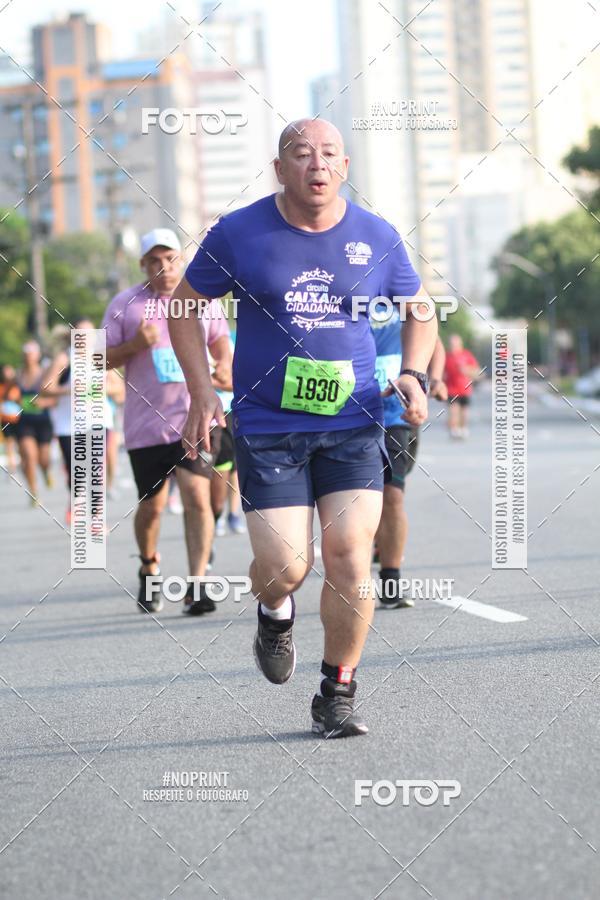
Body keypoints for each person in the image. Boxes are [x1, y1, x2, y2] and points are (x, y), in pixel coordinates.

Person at [168, 118, 437, 738]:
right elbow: (183, 306)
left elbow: (420, 310)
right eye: (301, 152)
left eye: (330, 153)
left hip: (353, 421)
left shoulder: (376, 236)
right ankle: (273, 609)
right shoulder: (239, 233)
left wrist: (415, 375)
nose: (317, 163)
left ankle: (337, 693)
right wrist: (202, 388)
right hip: (269, 427)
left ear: (345, 166)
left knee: (348, 559)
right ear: (280, 167)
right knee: (287, 564)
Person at [102, 228, 232, 615]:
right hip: (146, 427)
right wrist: (133, 346)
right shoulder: (125, 304)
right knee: (153, 507)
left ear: (182, 259)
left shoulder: (201, 299)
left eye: (171, 258)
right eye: (155, 260)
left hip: (194, 418)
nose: (164, 267)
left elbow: (220, 339)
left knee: (196, 496)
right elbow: (94, 360)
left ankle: (198, 584)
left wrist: (224, 361)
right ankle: (149, 565)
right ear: (143, 265)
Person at [372, 304, 447, 607]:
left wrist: (437, 378)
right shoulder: (343, 290)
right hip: (352, 413)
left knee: (392, 495)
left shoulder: (400, 298)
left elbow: (434, 339)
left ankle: (391, 582)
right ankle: (374, 569)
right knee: (363, 496)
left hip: (396, 416)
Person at [15, 341, 55, 505]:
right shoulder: (18, 374)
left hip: (43, 421)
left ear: (37, 355)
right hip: (24, 422)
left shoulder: (45, 373)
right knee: (29, 456)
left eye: (31, 353)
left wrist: (44, 403)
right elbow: (8, 393)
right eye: (26, 354)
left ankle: (46, 472)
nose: (28, 357)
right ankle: (33, 492)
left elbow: (57, 399)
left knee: (43, 459)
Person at [444, 334, 480, 439]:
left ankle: (463, 428)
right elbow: (441, 371)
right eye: (451, 343)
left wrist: (466, 370)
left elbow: (476, 371)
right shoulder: (447, 356)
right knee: (453, 410)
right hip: (451, 388)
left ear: (460, 344)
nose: (453, 345)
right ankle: (454, 430)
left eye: (455, 343)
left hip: (465, 388)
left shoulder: (466, 355)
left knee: (464, 411)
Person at [0, 364, 21, 476]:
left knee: (21, 443)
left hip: (18, 419)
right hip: (6, 419)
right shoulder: (1, 387)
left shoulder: (18, 385)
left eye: (9, 371)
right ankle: (12, 470)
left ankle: (24, 464)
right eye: (5, 371)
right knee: (9, 444)